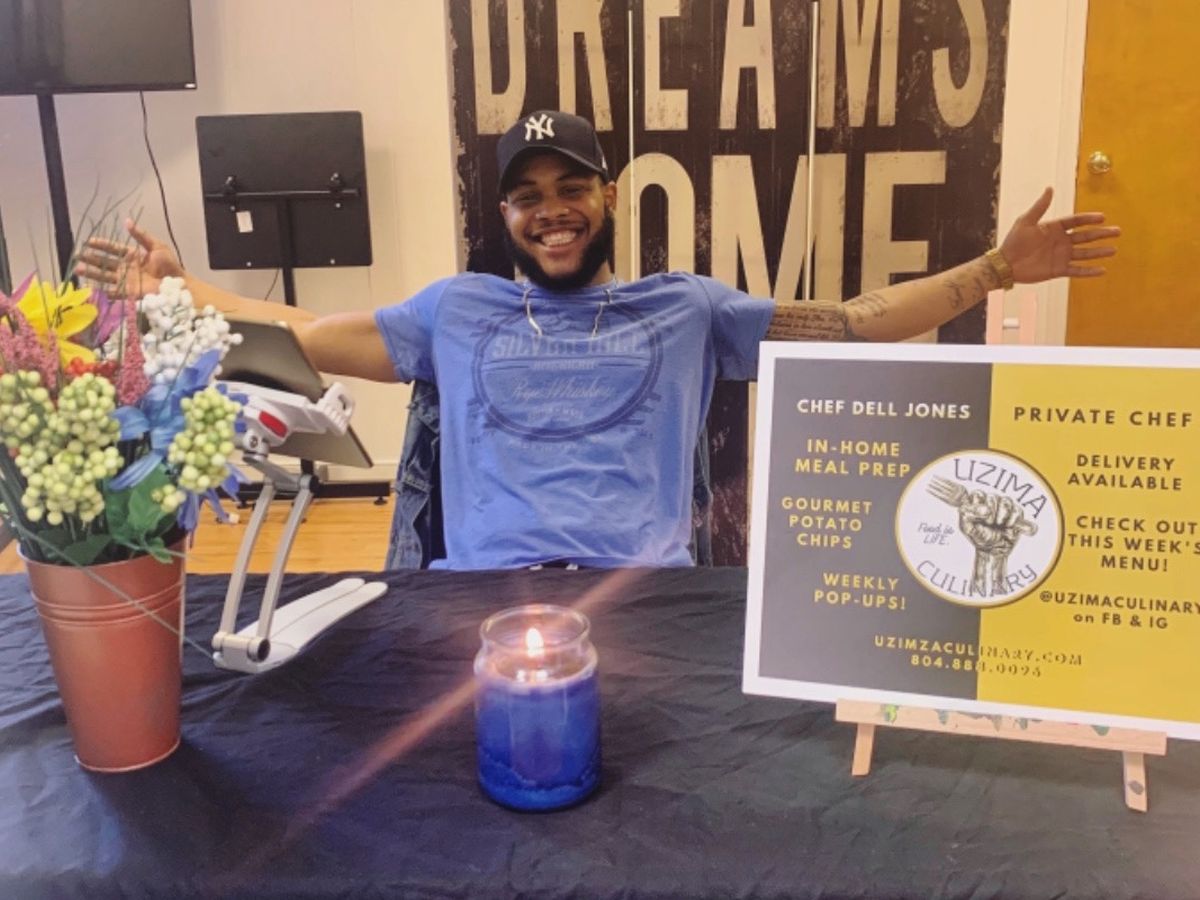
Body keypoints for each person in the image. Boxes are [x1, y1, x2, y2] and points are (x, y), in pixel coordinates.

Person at [77, 110, 1119, 571]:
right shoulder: (457, 311)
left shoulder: (687, 309)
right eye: (527, 196)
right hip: (479, 607)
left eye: (571, 187)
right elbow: (306, 335)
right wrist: (182, 290)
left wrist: (997, 269)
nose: (552, 212)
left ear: (608, 196)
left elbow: (854, 322)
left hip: (647, 604)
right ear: (505, 214)